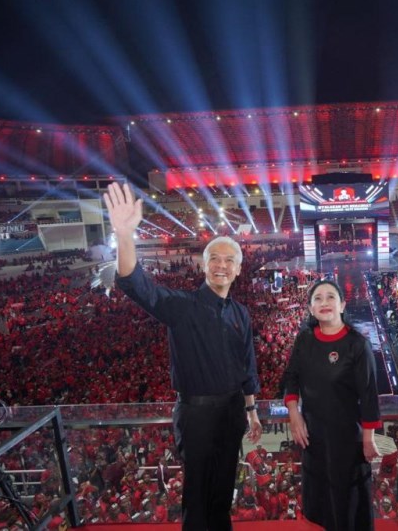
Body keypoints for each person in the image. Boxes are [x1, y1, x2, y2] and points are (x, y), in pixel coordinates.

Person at [104, 182, 262, 530]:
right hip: (197, 414)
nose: (222, 266)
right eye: (215, 259)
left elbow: (246, 367)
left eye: (229, 260)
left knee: (223, 488)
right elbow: (136, 285)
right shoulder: (181, 306)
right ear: (204, 266)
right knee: (197, 492)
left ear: (238, 269)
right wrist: (124, 235)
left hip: (233, 411)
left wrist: (251, 411)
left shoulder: (241, 314)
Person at [283, 279, 381, 530]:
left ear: (342, 304)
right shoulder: (304, 340)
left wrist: (368, 437)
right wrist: (294, 414)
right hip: (313, 435)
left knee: (346, 502)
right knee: (320, 502)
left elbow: (369, 394)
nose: (324, 302)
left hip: (347, 437)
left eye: (330, 297)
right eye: (317, 298)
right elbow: (291, 378)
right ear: (310, 309)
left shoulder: (357, 345)